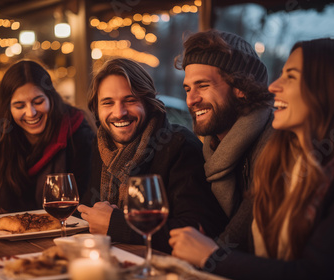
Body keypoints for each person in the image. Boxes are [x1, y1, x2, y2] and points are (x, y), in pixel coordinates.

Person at [169, 38, 334, 279]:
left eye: (291, 76)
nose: (273, 86)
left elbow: (317, 273)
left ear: (328, 88)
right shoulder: (286, 153)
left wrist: (211, 256)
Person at [77, 58, 227, 253]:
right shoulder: (102, 146)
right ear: (96, 109)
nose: (119, 112)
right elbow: (94, 211)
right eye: (108, 103)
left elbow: (197, 232)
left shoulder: (178, 145)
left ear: (148, 103)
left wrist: (116, 225)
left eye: (130, 100)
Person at [175, 30, 274, 252]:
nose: (191, 100)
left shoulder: (274, 143)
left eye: (203, 85)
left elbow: (234, 240)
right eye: (188, 89)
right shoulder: (210, 149)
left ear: (242, 87)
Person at [0, 60, 94, 213]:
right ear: (7, 107)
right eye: (19, 106)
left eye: (38, 101)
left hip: (64, 227)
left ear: (50, 98)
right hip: (7, 229)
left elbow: (87, 195)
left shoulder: (76, 129)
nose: (31, 113)